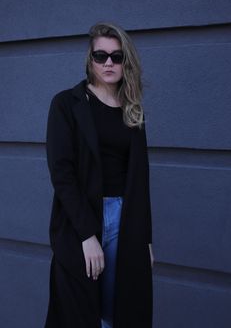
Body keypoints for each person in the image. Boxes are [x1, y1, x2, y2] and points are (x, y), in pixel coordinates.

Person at [45, 22, 154, 328]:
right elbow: (61, 172)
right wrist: (87, 235)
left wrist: (145, 240)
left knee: (117, 311)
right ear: (89, 60)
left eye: (117, 57)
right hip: (82, 217)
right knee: (78, 310)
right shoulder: (66, 104)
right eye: (101, 55)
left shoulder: (133, 111)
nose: (108, 62)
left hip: (125, 220)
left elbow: (141, 177)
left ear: (125, 62)